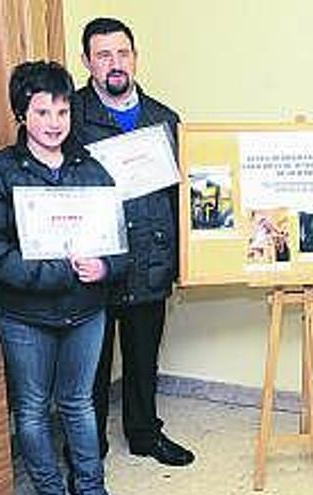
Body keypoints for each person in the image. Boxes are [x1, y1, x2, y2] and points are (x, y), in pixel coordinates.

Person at [0, 61, 121, 495]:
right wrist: (50, 274)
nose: (55, 123)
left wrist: (105, 267)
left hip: (86, 312)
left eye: (63, 112)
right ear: (22, 114)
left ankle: (90, 487)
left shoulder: (92, 169)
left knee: (79, 405)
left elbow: (119, 243)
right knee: (32, 409)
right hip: (25, 316)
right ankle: (50, 489)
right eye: (42, 112)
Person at [71, 17, 194, 467]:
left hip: (150, 261)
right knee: (91, 369)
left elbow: (181, 196)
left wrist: (184, 262)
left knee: (143, 361)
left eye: (123, 53)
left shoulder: (165, 119)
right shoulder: (71, 118)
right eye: (103, 55)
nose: (115, 64)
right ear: (86, 61)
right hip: (95, 267)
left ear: (136, 58)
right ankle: (89, 447)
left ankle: (144, 434)